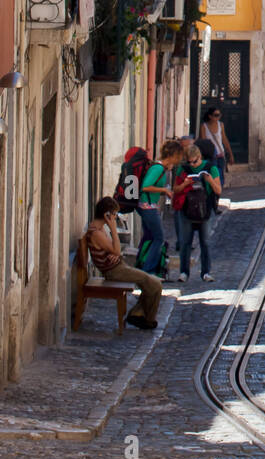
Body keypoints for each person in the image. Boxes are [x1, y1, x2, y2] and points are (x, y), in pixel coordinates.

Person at [85, 196, 162, 329]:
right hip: (114, 271)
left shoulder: (100, 230)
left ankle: (137, 314)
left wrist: (116, 253)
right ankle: (148, 319)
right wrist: (114, 230)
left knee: (152, 282)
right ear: (107, 215)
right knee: (155, 284)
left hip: (118, 266)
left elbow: (115, 251)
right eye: (114, 215)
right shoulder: (96, 233)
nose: (115, 218)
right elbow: (116, 250)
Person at [173, 142, 221, 283]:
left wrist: (210, 180)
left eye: (194, 162)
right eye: (189, 162)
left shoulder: (211, 168)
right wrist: (185, 184)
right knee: (185, 242)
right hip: (186, 210)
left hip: (204, 210)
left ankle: (205, 272)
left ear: (199, 157)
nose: (192, 165)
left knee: (205, 242)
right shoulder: (183, 169)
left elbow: (218, 190)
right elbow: (175, 190)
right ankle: (184, 272)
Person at [137, 139, 183, 277]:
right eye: (178, 156)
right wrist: (163, 189)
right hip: (148, 207)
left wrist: (164, 192)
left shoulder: (162, 169)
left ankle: (143, 267)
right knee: (159, 238)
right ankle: (148, 271)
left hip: (149, 206)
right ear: (172, 155)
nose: (179, 160)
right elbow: (145, 186)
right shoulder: (157, 168)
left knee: (149, 237)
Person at [200, 106, 234, 183]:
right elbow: (203, 142)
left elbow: (224, 140)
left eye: (219, 115)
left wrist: (231, 154)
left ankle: (219, 190)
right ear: (210, 116)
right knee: (213, 175)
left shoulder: (221, 125)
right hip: (210, 155)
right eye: (216, 115)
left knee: (221, 175)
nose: (218, 117)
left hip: (220, 154)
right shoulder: (204, 126)